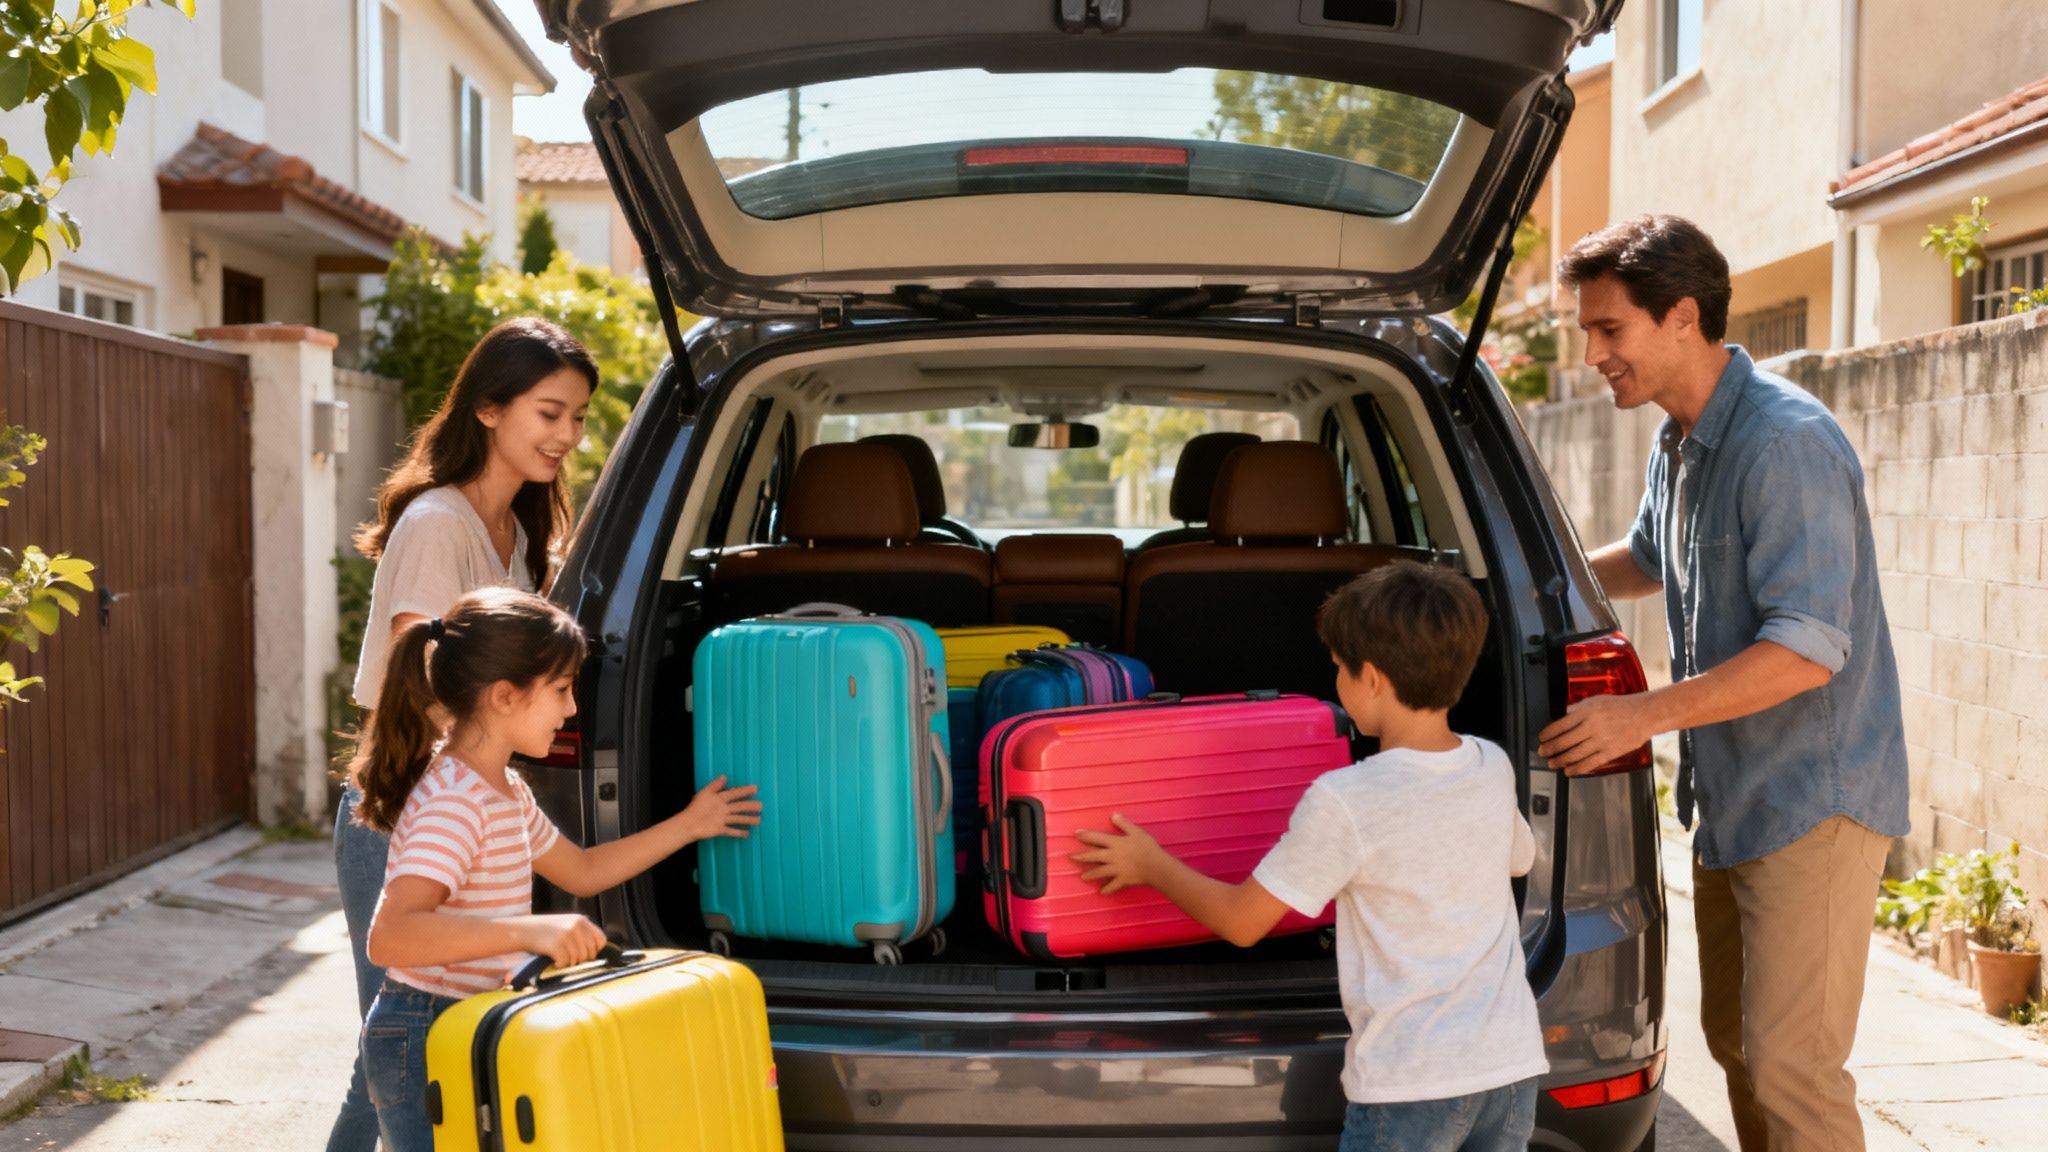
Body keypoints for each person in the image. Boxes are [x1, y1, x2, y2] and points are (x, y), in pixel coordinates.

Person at [1540, 215, 1907, 1152]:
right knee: (1737, 1048)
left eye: (1608, 329)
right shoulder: (1682, 441)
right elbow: (1652, 556)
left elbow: (1807, 646)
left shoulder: (1785, 445)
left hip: (1812, 806)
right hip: (1733, 799)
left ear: (1681, 319)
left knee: (1792, 1065)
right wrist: (1537, 575)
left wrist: (1643, 715)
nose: (1592, 354)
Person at [1072, 562, 1547, 1152]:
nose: (1336, 683)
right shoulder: (1490, 763)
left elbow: (1243, 923)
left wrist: (1152, 865)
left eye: (1338, 670)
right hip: (1510, 1065)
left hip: (1413, 1083)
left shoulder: (1347, 798)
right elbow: (1519, 860)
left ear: (1370, 678)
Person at [355, 587, 763, 1152]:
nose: (572, 709)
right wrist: (526, 931)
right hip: (425, 1027)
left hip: (472, 1020)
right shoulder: (455, 801)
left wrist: (691, 824)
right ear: (504, 696)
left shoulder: (504, 791)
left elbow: (583, 870)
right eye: (562, 690)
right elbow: (392, 936)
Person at [327, 316, 597, 1152]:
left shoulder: (519, 536)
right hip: (407, 809)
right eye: (549, 413)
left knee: (409, 1065)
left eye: (579, 418)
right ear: (488, 409)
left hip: (467, 811)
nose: (567, 435)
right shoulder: (438, 524)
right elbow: (435, 692)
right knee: (394, 1061)